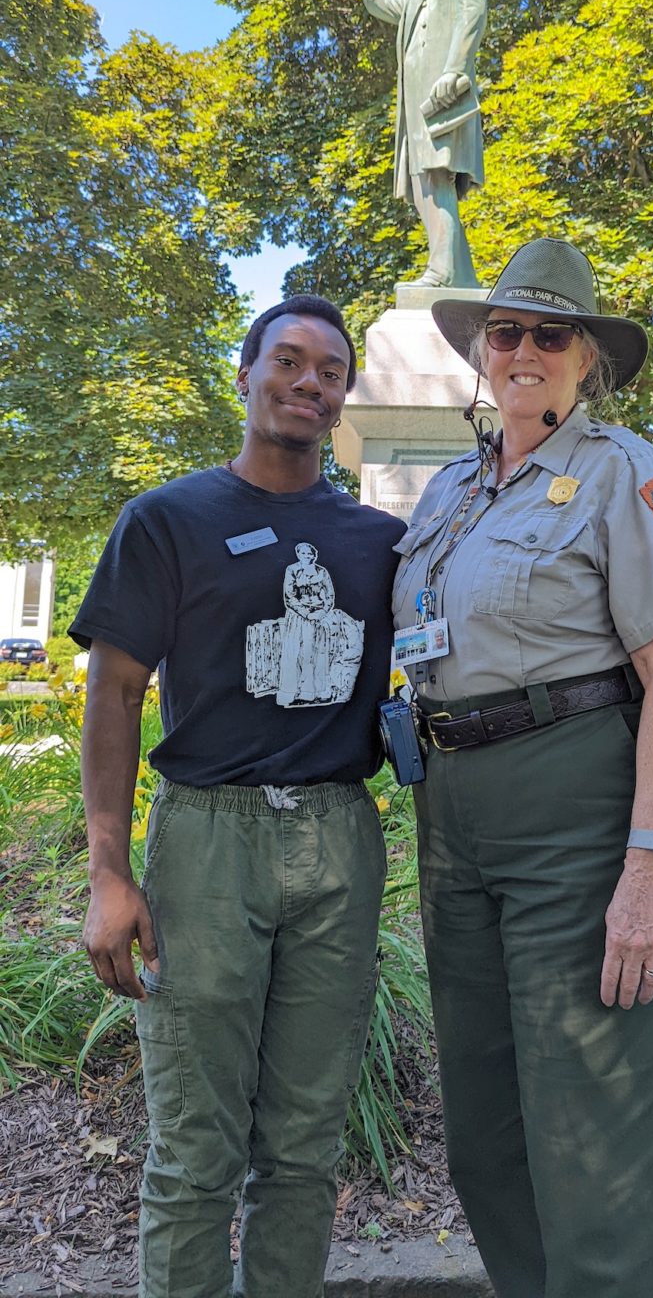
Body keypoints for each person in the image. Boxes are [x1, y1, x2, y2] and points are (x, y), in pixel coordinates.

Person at [391, 239, 653, 1298]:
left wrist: (650, 873)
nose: (524, 349)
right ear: (483, 352)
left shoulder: (625, 472)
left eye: (550, 333)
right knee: (487, 1126)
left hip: (580, 807)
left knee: (602, 1123)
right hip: (457, 815)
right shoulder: (450, 491)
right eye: (507, 332)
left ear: (587, 358)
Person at [72, 295, 405, 1298]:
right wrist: (107, 873)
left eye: (330, 370)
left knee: (304, 1151)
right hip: (207, 846)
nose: (309, 381)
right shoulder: (167, 520)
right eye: (289, 361)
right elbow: (116, 693)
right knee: (192, 1155)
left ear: (345, 395)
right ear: (246, 374)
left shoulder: (379, 543)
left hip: (339, 842)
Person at [346, 0, 486, 288]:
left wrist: (455, 69)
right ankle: (462, 281)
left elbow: (473, 11)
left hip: (444, 90)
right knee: (425, 182)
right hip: (417, 99)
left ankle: (442, 273)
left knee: (437, 177)